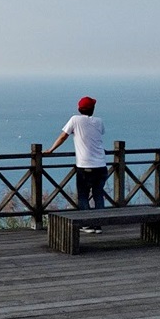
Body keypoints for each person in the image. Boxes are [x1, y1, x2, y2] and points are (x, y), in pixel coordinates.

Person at [46, 96, 107, 229]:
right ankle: (98, 225)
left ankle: (86, 225)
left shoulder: (75, 120)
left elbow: (63, 136)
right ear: (93, 109)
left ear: (79, 109)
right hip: (101, 165)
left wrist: (51, 149)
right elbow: (97, 136)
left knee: (83, 195)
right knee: (98, 195)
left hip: (85, 166)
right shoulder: (99, 121)